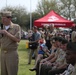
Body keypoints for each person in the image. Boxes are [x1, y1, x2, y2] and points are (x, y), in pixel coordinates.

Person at [0, 11, 21, 75]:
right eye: (2, 18)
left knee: (12, 72)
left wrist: (6, 33)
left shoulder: (16, 27)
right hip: (2, 53)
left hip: (11, 53)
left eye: (4, 18)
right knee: (3, 72)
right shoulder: (1, 27)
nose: (2, 20)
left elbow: (18, 39)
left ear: (9, 18)